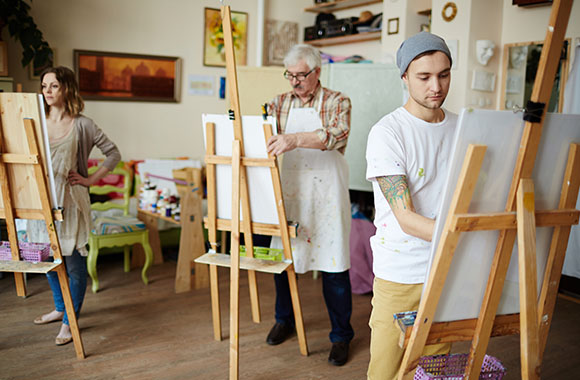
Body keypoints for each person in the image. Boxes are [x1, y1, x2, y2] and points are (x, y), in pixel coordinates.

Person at [365, 32, 457, 379]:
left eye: (444, 74)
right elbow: (406, 218)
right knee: (386, 372)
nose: (436, 85)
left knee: (432, 371)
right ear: (404, 77)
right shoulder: (388, 133)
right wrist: (466, 236)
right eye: (424, 77)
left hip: (445, 268)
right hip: (400, 271)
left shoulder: (463, 127)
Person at [266, 44, 354, 366]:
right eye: (290, 75)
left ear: (318, 72)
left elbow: (336, 135)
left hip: (326, 195)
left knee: (334, 266)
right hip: (291, 191)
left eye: (301, 75)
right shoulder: (278, 103)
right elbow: (265, 137)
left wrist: (294, 139)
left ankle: (341, 335)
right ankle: (284, 319)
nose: (295, 82)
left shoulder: (337, 101)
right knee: (285, 262)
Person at [29, 66, 121, 346]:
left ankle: (70, 320)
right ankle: (60, 307)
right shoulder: (35, 121)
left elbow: (113, 153)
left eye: (54, 85)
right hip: (41, 201)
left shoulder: (83, 124)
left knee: (73, 265)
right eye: (44, 86)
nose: (47, 91)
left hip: (71, 201)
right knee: (47, 260)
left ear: (66, 88)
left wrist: (89, 179)